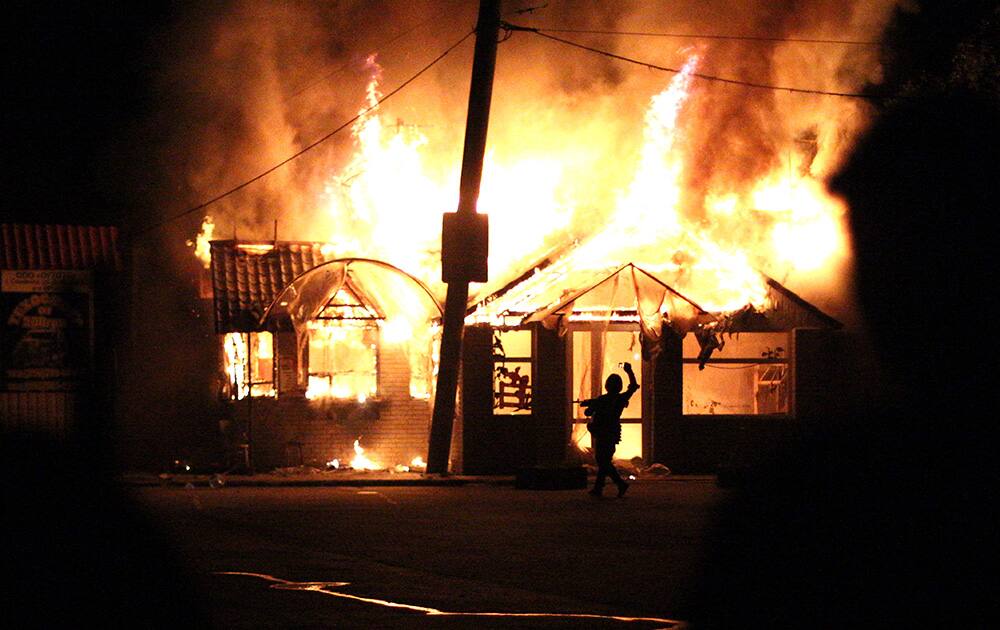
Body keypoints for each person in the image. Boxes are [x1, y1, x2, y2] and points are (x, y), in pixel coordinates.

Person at [580, 362, 639, 497]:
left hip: (604, 432)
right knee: (604, 461)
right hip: (610, 432)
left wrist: (590, 406)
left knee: (603, 461)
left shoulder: (604, 400)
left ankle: (614, 485)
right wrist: (629, 372)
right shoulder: (619, 398)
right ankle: (604, 487)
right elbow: (633, 387)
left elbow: (589, 412)